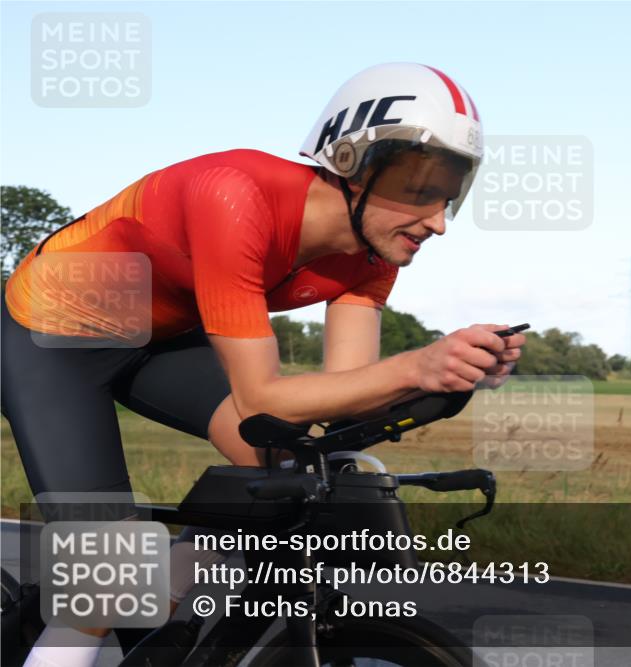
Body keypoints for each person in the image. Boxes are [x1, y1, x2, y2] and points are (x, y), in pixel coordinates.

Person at [1, 62, 525, 667]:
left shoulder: (377, 250)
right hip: (54, 334)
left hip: (161, 336)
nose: (436, 221)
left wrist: (455, 371)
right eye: (418, 190)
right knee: (103, 580)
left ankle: (165, 607)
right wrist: (416, 367)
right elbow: (259, 400)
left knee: (302, 468)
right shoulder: (234, 195)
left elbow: (340, 396)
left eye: (450, 195)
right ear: (351, 163)